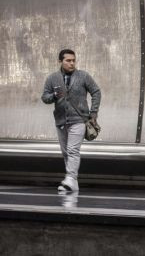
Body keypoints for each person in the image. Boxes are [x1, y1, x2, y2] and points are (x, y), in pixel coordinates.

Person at [41, 49, 101, 192]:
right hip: (61, 121)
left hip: (79, 119)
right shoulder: (52, 78)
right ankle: (72, 181)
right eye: (68, 60)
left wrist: (93, 112)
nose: (72, 63)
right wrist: (54, 96)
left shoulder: (83, 76)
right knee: (66, 152)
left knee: (73, 150)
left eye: (73, 60)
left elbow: (96, 91)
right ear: (60, 61)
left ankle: (70, 178)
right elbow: (44, 97)